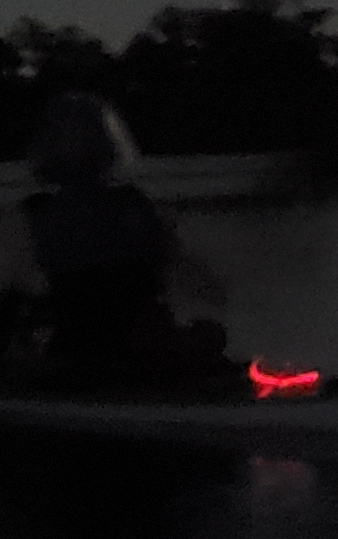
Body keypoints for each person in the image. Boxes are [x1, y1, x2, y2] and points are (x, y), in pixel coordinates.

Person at [14, 94, 226, 376]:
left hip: (92, 349)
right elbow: (191, 274)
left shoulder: (37, 212)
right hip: (132, 342)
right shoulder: (133, 204)